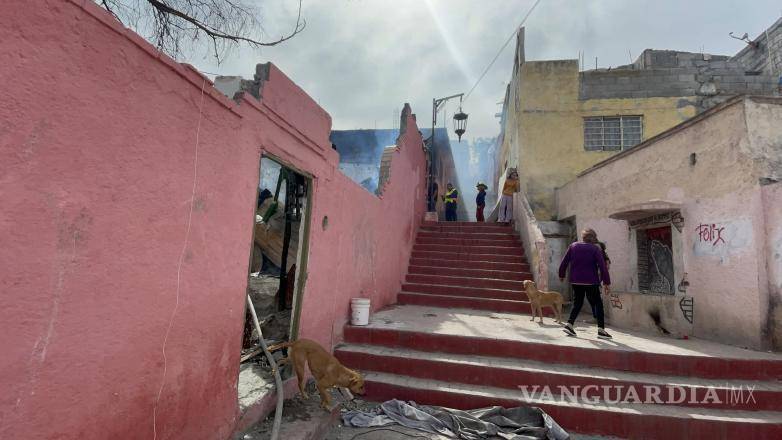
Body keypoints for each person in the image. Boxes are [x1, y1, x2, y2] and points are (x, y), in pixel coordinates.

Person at [558, 228, 612, 339]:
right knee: (598, 303)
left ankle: (569, 324)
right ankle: (601, 330)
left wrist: (561, 274)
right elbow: (602, 267)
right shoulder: (595, 249)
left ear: (583, 237)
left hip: (575, 280)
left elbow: (564, 261)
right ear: (593, 238)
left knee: (578, 302)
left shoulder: (573, 246)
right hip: (591, 281)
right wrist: (606, 282)